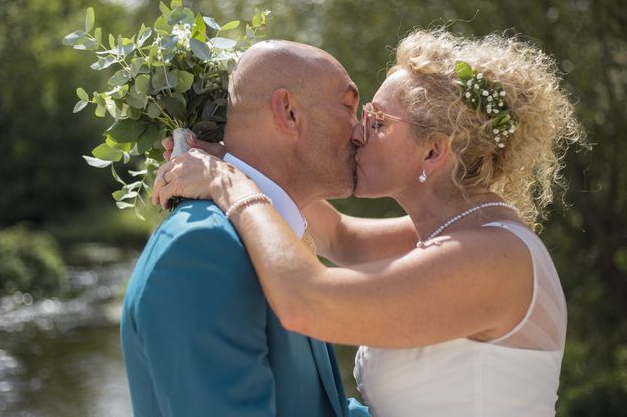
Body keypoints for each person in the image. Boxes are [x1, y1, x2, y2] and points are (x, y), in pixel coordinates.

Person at [153, 29, 585, 416]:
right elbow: (341, 238)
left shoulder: (493, 259)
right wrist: (231, 158)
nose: (358, 132)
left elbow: (307, 302)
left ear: (433, 153)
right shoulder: (450, 232)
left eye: (377, 121)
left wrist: (232, 188)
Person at [121, 41, 383, 416]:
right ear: (288, 111)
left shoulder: (277, 235)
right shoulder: (200, 248)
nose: (360, 133)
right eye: (348, 107)